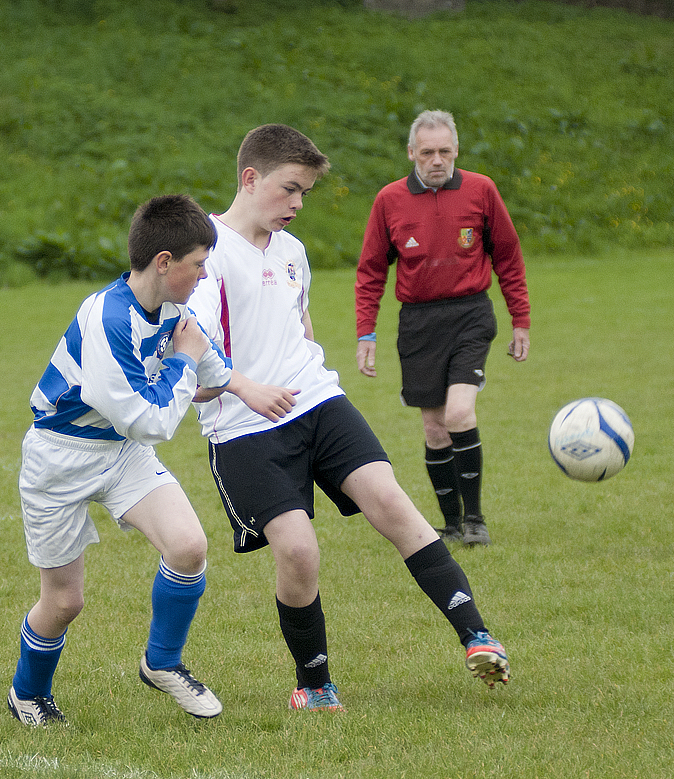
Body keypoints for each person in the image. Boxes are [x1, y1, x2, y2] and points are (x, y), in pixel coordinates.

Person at [188, 124, 510, 713]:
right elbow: (192, 350)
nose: (298, 205)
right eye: (290, 190)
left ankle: (477, 637)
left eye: (305, 193)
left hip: (316, 400)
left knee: (391, 502)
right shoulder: (204, 251)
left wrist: (302, 366)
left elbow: (298, 327)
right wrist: (238, 386)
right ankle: (314, 684)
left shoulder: (292, 251)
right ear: (250, 178)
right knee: (299, 550)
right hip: (243, 426)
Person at [7, 194, 296, 727]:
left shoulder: (173, 312)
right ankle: (28, 694)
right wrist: (184, 365)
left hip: (121, 454)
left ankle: (161, 663)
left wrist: (247, 388)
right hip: (59, 458)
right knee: (65, 601)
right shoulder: (108, 319)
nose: (204, 277)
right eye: (199, 266)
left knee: (188, 547)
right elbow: (152, 421)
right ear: (165, 262)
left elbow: (211, 367)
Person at [355, 110, 531, 547]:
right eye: (428, 152)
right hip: (418, 323)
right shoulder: (389, 201)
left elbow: (508, 256)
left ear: (456, 151)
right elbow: (371, 271)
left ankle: (475, 520)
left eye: (445, 151)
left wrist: (520, 320)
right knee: (434, 428)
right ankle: (451, 525)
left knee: (457, 414)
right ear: (412, 153)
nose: (437, 160)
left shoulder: (481, 190)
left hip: (471, 314)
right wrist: (366, 333)